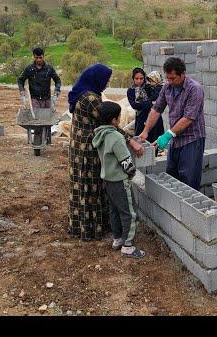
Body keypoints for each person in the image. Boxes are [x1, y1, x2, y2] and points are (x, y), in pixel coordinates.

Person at [67, 64, 143, 241]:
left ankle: (83, 226)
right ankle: (92, 228)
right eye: (106, 79)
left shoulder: (82, 92)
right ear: (97, 79)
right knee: (90, 185)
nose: (108, 83)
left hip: (79, 147)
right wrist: (131, 140)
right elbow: (111, 124)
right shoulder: (91, 99)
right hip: (88, 150)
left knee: (83, 184)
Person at [139, 57, 205, 190]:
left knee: (189, 180)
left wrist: (167, 135)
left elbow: (188, 118)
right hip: (176, 139)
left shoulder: (194, 89)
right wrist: (146, 130)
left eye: (172, 78)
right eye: (167, 78)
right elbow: (156, 109)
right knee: (172, 176)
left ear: (183, 74)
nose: (169, 81)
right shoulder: (167, 88)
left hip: (191, 140)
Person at [92, 101, 145, 259]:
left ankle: (117, 239)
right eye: (119, 117)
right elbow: (126, 162)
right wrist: (135, 177)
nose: (120, 120)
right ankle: (128, 246)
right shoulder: (116, 137)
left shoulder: (100, 134)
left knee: (114, 210)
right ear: (114, 120)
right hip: (120, 181)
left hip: (108, 181)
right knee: (129, 212)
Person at [17, 47, 62, 144]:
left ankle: (48, 140)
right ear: (33, 57)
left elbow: (57, 80)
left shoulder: (49, 69)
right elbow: (20, 80)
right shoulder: (29, 69)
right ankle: (37, 138)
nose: (38, 60)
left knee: (47, 120)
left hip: (47, 99)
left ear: (43, 57)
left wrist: (57, 90)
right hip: (35, 98)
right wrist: (21, 90)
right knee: (37, 121)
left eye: (40, 57)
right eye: (36, 57)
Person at [126, 67, 164, 148]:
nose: (139, 81)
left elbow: (157, 99)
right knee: (141, 143)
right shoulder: (131, 91)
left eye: (141, 78)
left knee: (155, 144)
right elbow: (135, 105)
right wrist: (150, 103)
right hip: (141, 119)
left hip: (155, 119)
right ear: (133, 78)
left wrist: (143, 104)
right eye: (136, 78)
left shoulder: (150, 87)